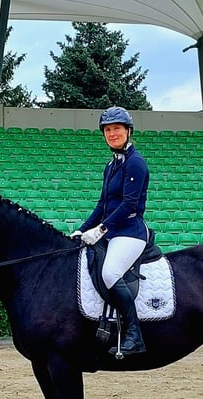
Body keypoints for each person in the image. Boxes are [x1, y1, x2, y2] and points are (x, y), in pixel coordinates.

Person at [71, 106, 150, 357]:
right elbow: (102, 205)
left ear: (128, 131)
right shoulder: (111, 166)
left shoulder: (135, 163)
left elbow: (128, 204)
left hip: (130, 232)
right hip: (113, 231)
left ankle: (134, 334)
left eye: (117, 128)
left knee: (110, 273)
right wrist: (82, 230)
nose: (112, 133)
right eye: (107, 129)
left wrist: (101, 229)